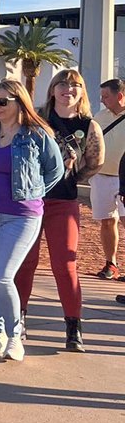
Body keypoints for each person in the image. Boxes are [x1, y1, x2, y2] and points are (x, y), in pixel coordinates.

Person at [0, 79, 63, 361]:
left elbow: (55, 171)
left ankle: (14, 334)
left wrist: (32, 193)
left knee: (2, 275)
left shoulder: (37, 135)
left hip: (21, 216)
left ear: (19, 102)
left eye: (2, 102)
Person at [15, 69, 102, 352]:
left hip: (63, 202)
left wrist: (72, 177)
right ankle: (18, 319)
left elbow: (95, 161)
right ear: (52, 89)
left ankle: (73, 326)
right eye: (62, 84)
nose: (68, 89)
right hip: (31, 201)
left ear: (82, 91)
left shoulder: (89, 125)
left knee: (65, 264)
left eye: (75, 85)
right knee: (25, 262)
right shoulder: (36, 118)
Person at [92, 79, 125, 279]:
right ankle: (110, 264)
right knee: (107, 221)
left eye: (106, 96)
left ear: (119, 96)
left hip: (124, 180)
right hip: (101, 176)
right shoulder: (99, 117)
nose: (102, 100)